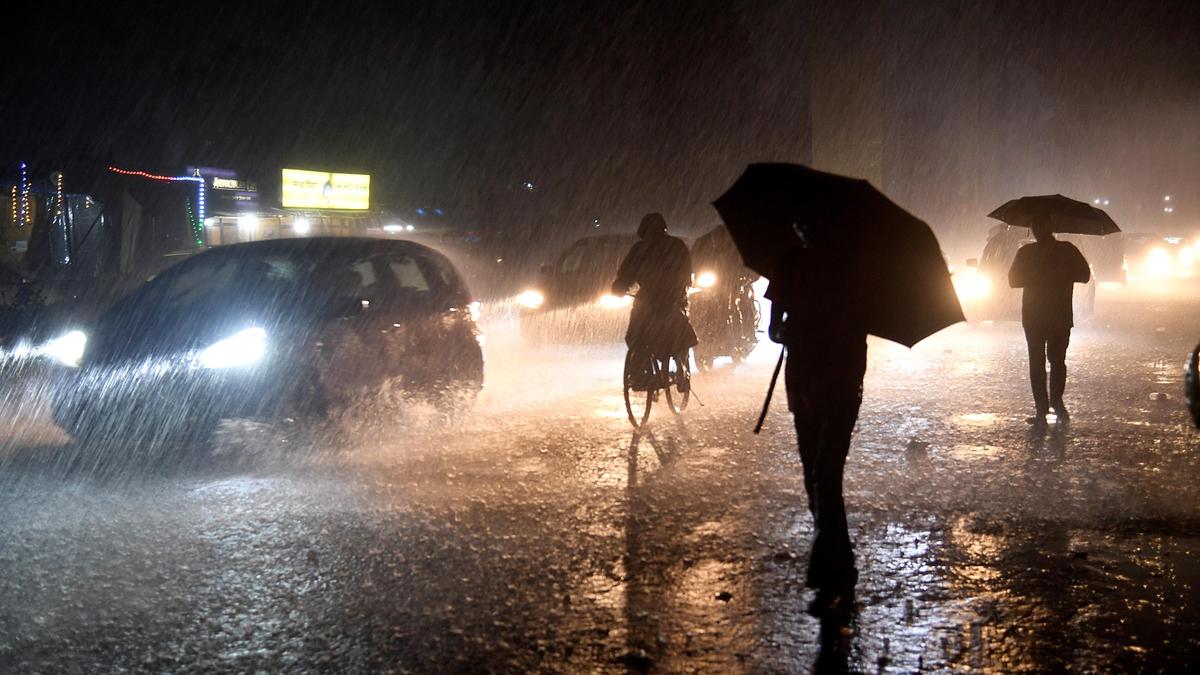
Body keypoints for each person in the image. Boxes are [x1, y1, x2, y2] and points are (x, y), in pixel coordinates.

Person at [766, 236, 867, 617]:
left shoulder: (854, 265)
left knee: (825, 474)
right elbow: (775, 327)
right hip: (805, 382)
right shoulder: (789, 261)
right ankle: (839, 563)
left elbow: (860, 330)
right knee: (815, 477)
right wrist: (788, 332)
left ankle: (831, 570)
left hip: (840, 385)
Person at [1007, 220, 1091, 424]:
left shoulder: (1028, 253)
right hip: (1056, 316)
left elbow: (1013, 280)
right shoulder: (1066, 251)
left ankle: (1044, 408)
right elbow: (1084, 275)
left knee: (1040, 362)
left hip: (1038, 316)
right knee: (1055, 361)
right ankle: (1054, 403)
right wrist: (1058, 274)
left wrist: (1039, 275)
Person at [611, 213, 697, 380]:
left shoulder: (639, 249)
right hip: (669, 297)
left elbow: (626, 275)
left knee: (636, 334)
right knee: (677, 331)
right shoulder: (676, 245)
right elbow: (686, 273)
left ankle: (640, 370)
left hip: (653, 297)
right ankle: (676, 366)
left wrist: (619, 288)